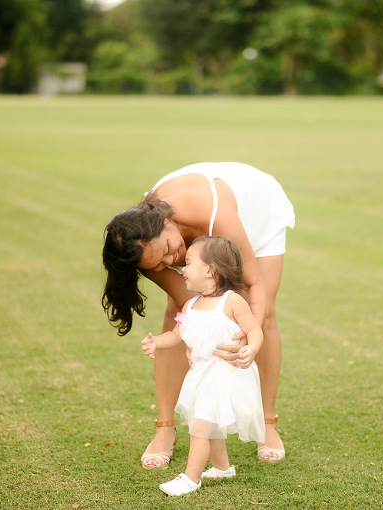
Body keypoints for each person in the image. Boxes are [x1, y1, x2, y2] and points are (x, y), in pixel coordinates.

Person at [102, 162, 294, 468]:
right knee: (178, 314)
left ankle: (268, 425)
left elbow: (251, 283)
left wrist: (247, 336)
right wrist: (195, 340)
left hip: (255, 214)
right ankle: (165, 428)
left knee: (263, 313)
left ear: (165, 221)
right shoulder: (140, 245)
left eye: (168, 248)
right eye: (159, 264)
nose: (171, 259)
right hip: (189, 225)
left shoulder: (210, 211)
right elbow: (189, 302)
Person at [141, 236, 264, 496]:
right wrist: (157, 342)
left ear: (210, 270)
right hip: (200, 375)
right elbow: (177, 334)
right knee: (209, 425)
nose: (183, 270)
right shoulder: (190, 304)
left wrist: (251, 349)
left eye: (188, 263)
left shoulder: (231, 302)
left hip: (223, 376)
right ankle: (223, 468)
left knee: (200, 428)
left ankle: (190, 478)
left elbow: (254, 329)